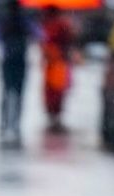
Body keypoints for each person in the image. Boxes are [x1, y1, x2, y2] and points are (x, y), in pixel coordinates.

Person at [0, 0, 31, 147]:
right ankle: (15, 124)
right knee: (18, 93)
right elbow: (38, 35)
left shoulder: (3, 21)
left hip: (8, 62)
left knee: (6, 92)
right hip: (19, 62)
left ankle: (4, 123)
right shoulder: (25, 21)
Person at [40, 5, 75, 133]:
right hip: (54, 63)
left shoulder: (57, 24)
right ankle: (55, 116)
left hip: (56, 63)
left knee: (56, 91)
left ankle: (54, 116)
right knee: (55, 91)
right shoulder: (59, 24)